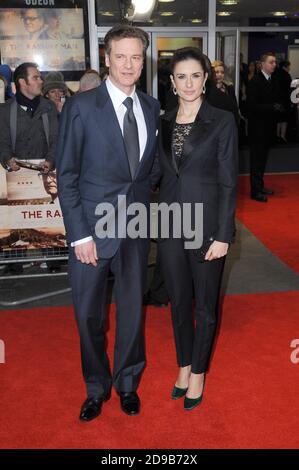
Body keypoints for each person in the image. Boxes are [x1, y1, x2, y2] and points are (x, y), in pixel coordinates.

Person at [56, 24, 160, 421]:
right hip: (91, 233)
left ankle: (128, 383)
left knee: (133, 312)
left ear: (143, 59)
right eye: (121, 56)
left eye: (136, 56)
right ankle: (96, 387)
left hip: (134, 227)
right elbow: (66, 175)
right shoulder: (82, 107)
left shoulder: (151, 107)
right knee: (88, 316)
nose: (129, 64)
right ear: (106, 58)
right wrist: (79, 233)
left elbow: (147, 171)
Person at [154, 47, 238, 411]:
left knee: (204, 306)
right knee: (177, 302)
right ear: (172, 82)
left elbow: (228, 182)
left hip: (206, 227)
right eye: (181, 77)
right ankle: (184, 364)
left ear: (206, 79)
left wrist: (223, 235)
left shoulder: (221, 120)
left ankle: (199, 372)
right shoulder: (164, 122)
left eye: (195, 75)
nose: (188, 83)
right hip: (171, 225)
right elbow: (158, 175)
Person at [0, 62, 58, 274]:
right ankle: (15, 262)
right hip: (16, 177)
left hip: (45, 173)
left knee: (47, 217)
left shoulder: (48, 108)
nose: (41, 81)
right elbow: (3, 142)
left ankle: (53, 260)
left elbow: (56, 139)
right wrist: (8, 160)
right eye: (36, 77)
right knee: (16, 218)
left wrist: (51, 161)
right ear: (22, 82)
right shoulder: (5, 111)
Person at [246, 52, 283, 202]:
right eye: (271, 62)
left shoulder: (272, 80)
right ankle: (255, 191)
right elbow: (252, 106)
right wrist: (272, 107)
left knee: (263, 160)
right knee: (256, 161)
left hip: (267, 128)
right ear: (263, 64)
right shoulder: (255, 81)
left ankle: (260, 186)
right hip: (257, 129)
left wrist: (279, 106)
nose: (274, 65)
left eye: (275, 62)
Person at [276, 60, 292, 143]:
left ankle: (277, 135)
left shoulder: (276, 74)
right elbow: (289, 89)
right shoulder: (287, 76)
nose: (289, 68)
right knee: (285, 119)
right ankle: (283, 136)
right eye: (288, 66)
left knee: (278, 118)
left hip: (277, 100)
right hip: (285, 100)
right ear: (285, 66)